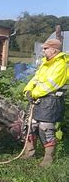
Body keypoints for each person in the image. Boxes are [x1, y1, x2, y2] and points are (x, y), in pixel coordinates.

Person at [22, 39, 67, 167]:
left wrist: (34, 93)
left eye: (45, 48)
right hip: (39, 99)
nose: (43, 51)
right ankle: (29, 152)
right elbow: (36, 78)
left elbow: (51, 85)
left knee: (46, 129)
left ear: (54, 50)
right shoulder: (45, 63)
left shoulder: (61, 65)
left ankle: (48, 158)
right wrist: (27, 90)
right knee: (30, 126)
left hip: (51, 101)